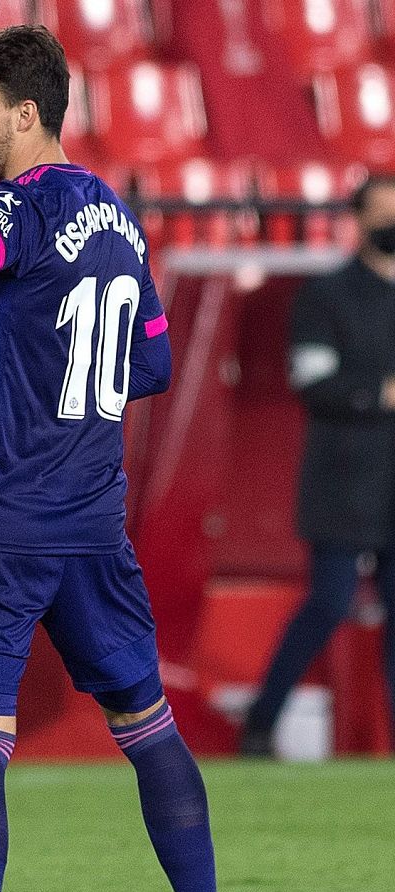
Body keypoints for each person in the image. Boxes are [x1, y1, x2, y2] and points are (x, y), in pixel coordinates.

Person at [0, 25, 215, 892]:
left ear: (26, 114)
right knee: (148, 728)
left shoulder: (17, 208)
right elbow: (152, 365)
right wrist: (8, 385)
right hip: (94, 524)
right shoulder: (122, 221)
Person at [240, 173, 395, 756]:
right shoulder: (326, 297)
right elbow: (312, 381)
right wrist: (379, 394)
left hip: (390, 482)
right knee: (328, 601)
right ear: (357, 221)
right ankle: (261, 722)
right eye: (382, 214)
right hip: (343, 480)